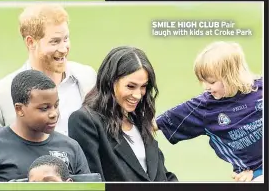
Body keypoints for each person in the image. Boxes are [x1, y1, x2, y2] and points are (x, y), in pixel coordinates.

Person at [156, 42, 263, 183]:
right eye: (202, 81)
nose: (206, 87)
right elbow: (154, 124)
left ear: (231, 76)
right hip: (251, 174)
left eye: (211, 82)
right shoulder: (204, 107)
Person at [68, 47, 178, 182]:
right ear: (110, 81)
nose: (138, 95)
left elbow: (161, 174)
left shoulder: (139, 118)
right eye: (131, 86)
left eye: (143, 86)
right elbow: (92, 182)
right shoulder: (84, 121)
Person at [0, 4, 97, 134]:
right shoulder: (1, 95)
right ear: (31, 42)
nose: (63, 49)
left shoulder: (88, 77)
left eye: (66, 39)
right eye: (55, 42)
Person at [0, 70, 91, 182]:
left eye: (56, 105)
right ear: (19, 109)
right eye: (44, 108)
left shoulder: (71, 147)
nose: (54, 114)